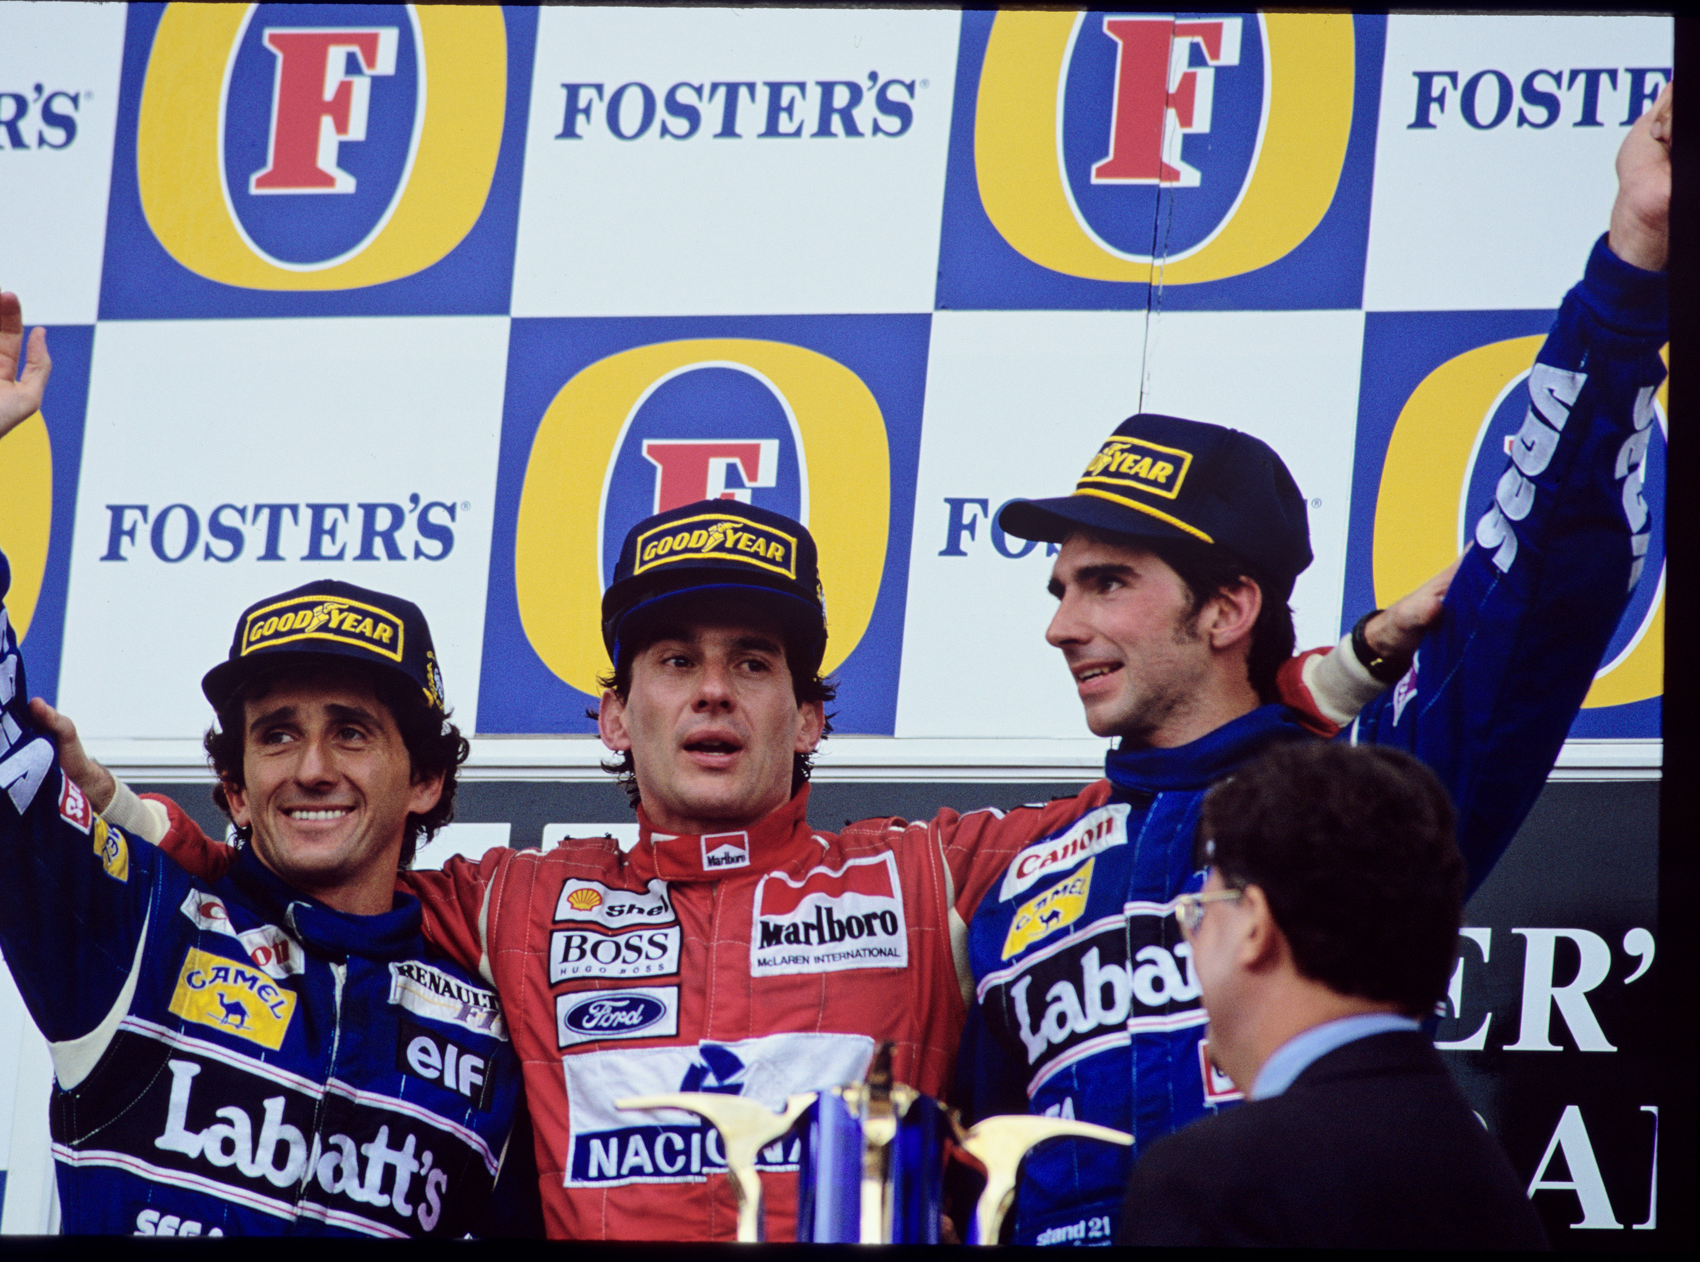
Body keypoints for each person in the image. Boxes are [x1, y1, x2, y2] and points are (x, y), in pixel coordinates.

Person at [96, 494, 1435, 1240]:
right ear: (613, 715)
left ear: (812, 717)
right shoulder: (514, 898)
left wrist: (1353, 663)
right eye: (674, 660)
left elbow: (1170, 780)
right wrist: (116, 808)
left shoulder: (929, 875)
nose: (713, 691)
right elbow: (300, 858)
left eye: (753, 661)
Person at [954, 83, 1671, 1245]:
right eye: (1060, 589)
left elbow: (1545, 582)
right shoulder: (1018, 879)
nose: (1062, 625)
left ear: (1230, 606)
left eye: (1107, 583)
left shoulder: (1360, 799)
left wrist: (1633, 261)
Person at [0, 284, 521, 1237]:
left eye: (352, 732)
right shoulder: (137, 924)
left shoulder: (489, 1028)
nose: (311, 767)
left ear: (425, 779)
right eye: (276, 735)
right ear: (235, 786)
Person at [1117, 741, 1548, 1248]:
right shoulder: (1485, 1178)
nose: (1191, 942)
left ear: (1254, 925)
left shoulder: (1208, 1183)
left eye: (1199, 913)